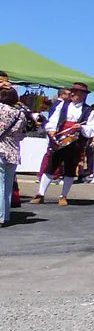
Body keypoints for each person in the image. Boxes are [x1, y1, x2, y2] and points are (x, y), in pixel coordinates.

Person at [35, 82, 94, 206]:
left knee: (70, 169)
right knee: (51, 167)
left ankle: (63, 196)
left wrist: (80, 127)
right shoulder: (62, 105)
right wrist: (52, 133)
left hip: (75, 143)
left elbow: (92, 128)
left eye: (77, 92)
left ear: (84, 95)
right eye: (73, 92)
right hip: (59, 140)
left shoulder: (88, 110)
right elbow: (53, 120)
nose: (73, 94)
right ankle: (40, 194)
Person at [0, 82, 24, 226]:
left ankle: (1, 216)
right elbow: (22, 135)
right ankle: (5, 215)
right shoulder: (20, 113)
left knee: (0, 185)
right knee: (7, 186)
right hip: (13, 151)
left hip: (0, 150)